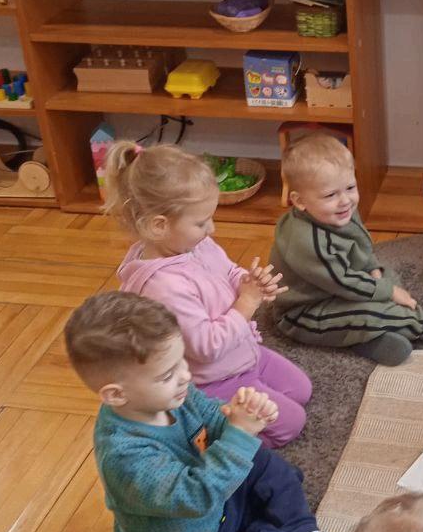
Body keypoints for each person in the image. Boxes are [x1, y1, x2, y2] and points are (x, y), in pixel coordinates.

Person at [64, 290, 338, 532]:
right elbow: (195, 497)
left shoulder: (173, 395)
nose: (185, 376)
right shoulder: (123, 456)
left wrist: (237, 416)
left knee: (262, 460)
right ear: (116, 395)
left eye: (181, 360)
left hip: (218, 499)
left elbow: (209, 414)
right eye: (167, 374)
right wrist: (238, 435)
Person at [105, 142, 311, 448]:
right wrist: (247, 301)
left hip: (242, 353)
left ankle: (243, 404)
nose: (212, 228)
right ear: (159, 226)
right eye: (201, 222)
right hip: (215, 380)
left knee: (301, 390)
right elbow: (208, 348)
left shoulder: (192, 244)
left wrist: (248, 281)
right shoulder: (164, 287)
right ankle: (214, 435)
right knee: (292, 423)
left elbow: (227, 271)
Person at [271, 132, 423, 366]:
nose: (345, 200)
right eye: (330, 195)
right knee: (370, 311)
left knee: (388, 276)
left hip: (338, 289)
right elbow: (344, 282)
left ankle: (362, 337)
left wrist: (373, 271)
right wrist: (387, 292)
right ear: (299, 201)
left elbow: (361, 244)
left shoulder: (337, 211)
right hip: (306, 313)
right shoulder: (306, 241)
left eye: (350, 187)